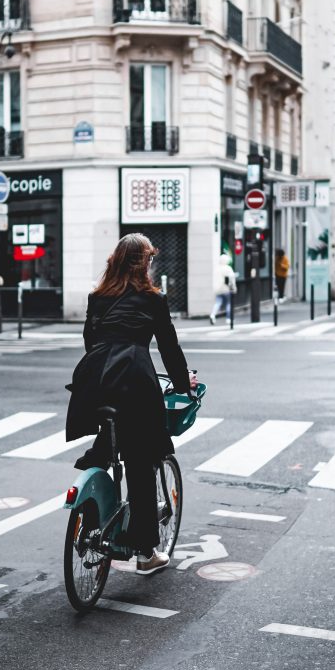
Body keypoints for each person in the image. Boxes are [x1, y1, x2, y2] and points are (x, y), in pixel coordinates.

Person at [65, 234, 194, 576]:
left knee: (106, 449)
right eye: (149, 259)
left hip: (94, 379)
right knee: (141, 461)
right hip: (135, 380)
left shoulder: (98, 297)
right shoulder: (152, 299)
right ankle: (145, 552)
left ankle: (96, 512)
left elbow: (90, 341)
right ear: (143, 263)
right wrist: (183, 385)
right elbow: (168, 346)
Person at [210, 253, 236, 325]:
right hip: (226, 289)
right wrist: (234, 287)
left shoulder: (217, 268)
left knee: (217, 303)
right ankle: (228, 318)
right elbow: (231, 279)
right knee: (229, 303)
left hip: (218, 289)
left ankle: (212, 315)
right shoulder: (228, 268)